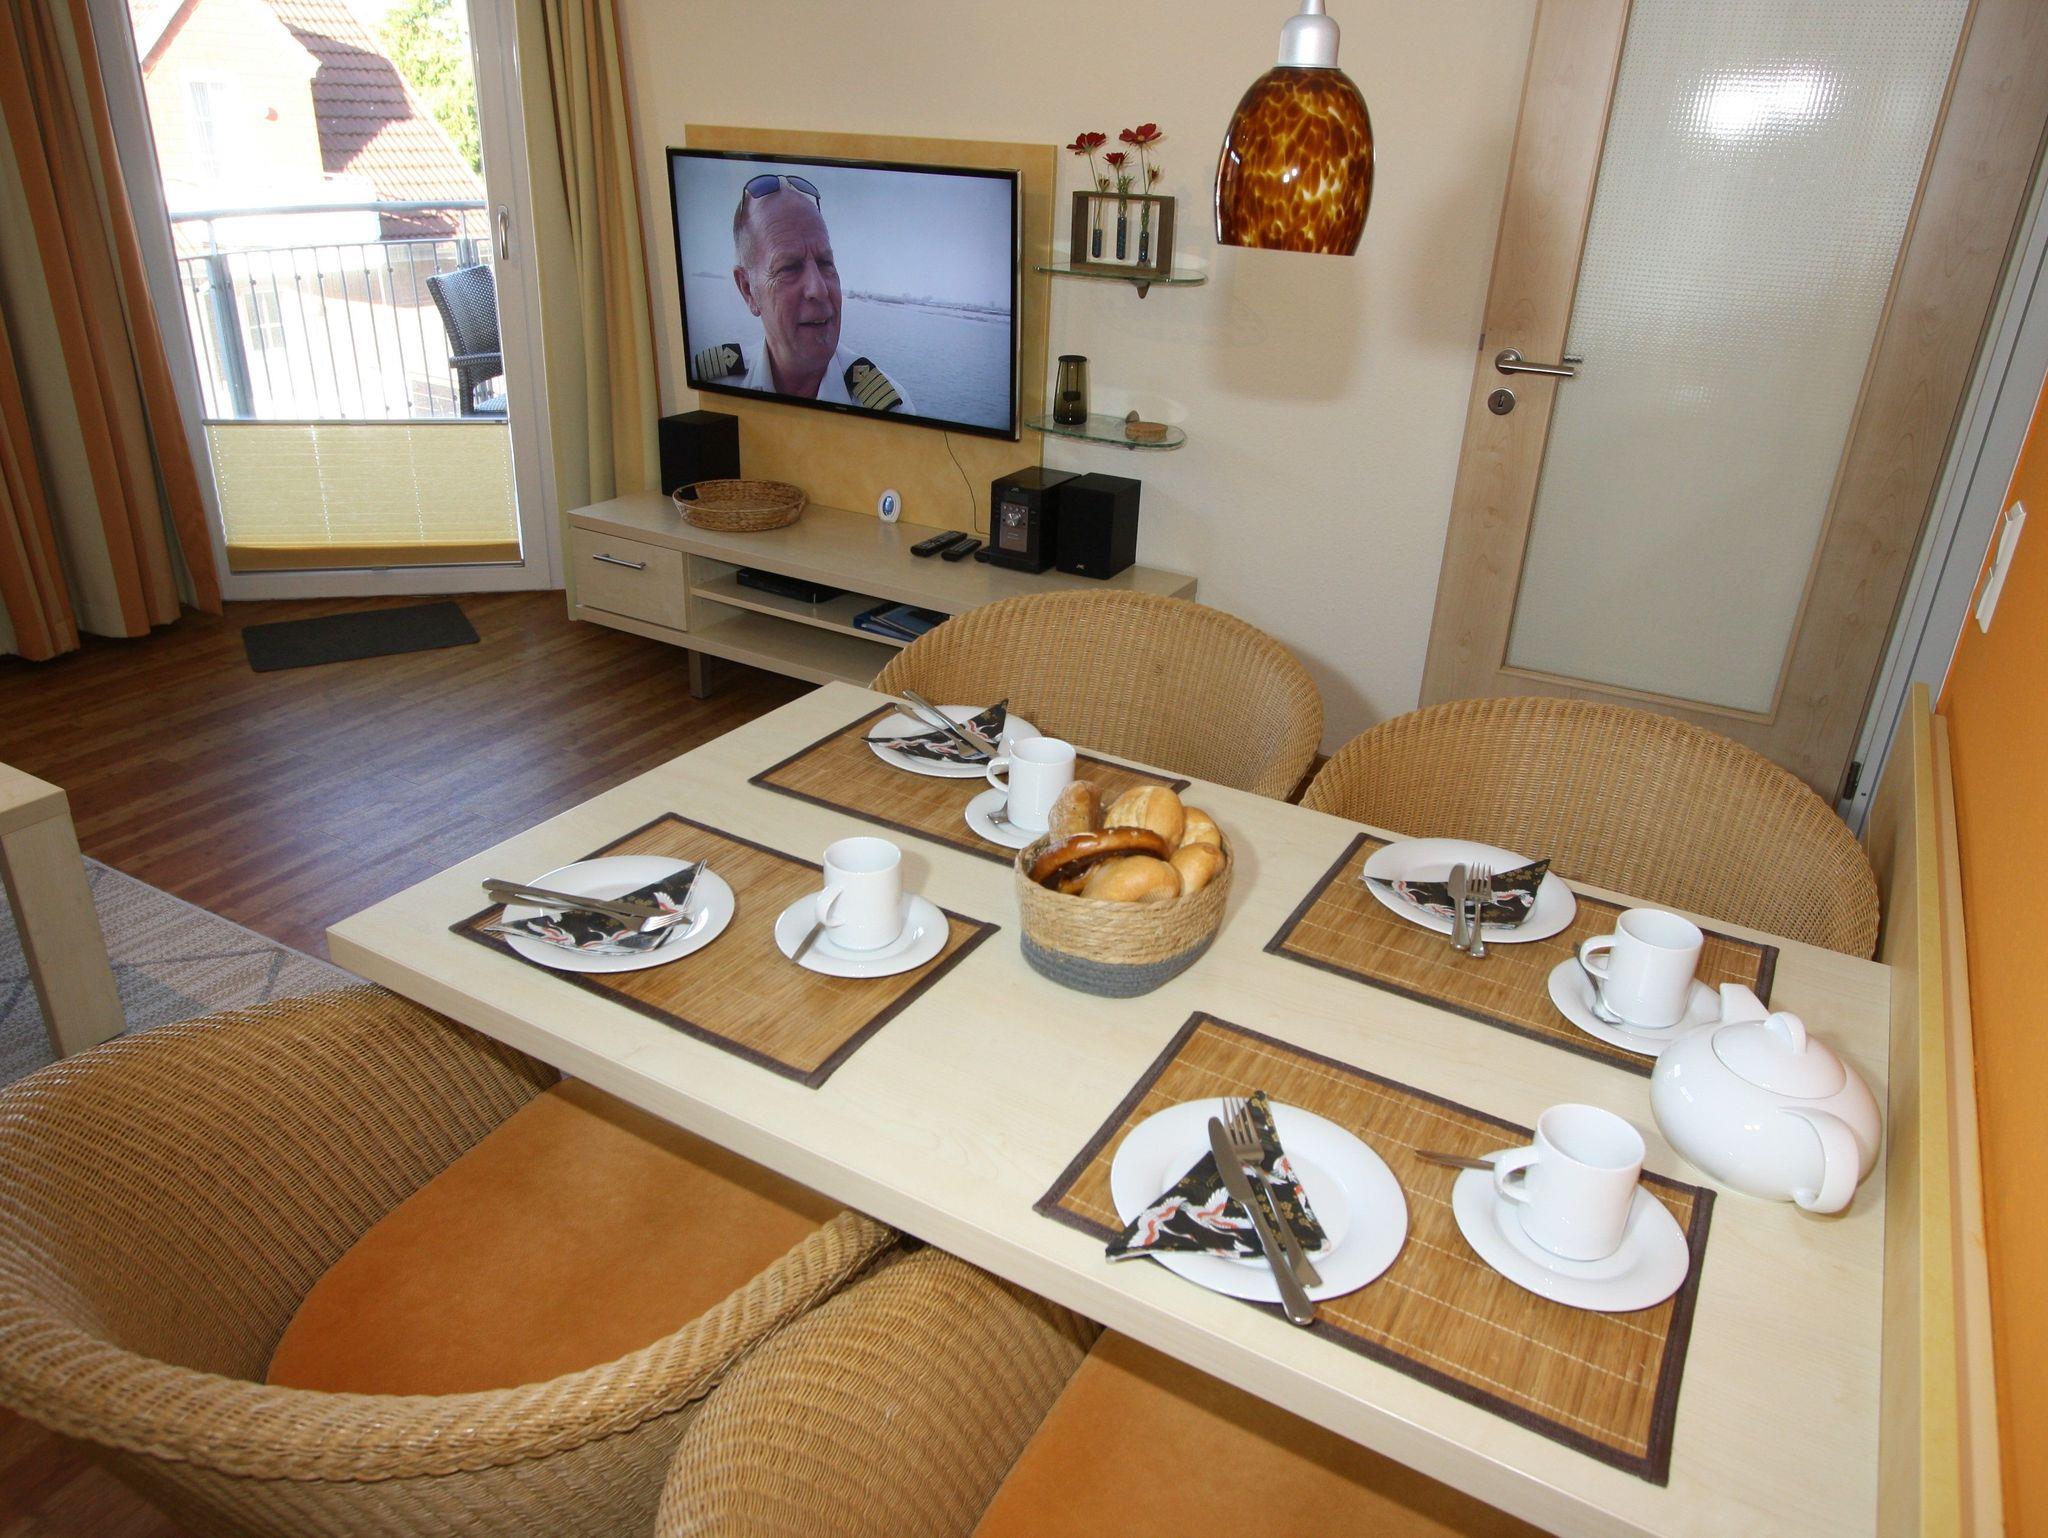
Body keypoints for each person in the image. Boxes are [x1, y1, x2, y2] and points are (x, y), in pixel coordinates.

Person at [707, 173, 915, 415]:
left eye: (825, 263)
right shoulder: (715, 384)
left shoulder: (888, 410)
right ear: (748, 290)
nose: (819, 289)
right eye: (789, 268)